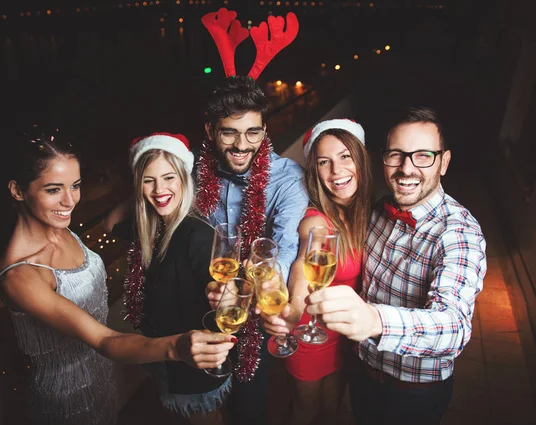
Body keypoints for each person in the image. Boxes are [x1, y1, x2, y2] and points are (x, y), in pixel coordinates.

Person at [0, 127, 235, 425]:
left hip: (105, 373)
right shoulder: (21, 276)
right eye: (53, 189)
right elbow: (105, 340)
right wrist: (177, 347)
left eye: (76, 185)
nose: (70, 201)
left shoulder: (61, 229)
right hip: (67, 397)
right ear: (18, 191)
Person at [305, 107, 488, 425]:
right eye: (397, 155)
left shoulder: (458, 232)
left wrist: (375, 321)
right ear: (383, 158)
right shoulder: (377, 211)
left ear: (443, 162)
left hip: (412, 394)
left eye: (423, 156)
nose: (406, 169)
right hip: (362, 374)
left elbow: (454, 328)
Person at [200, 75, 309, 425]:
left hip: (252, 311)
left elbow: (285, 243)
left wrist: (269, 292)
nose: (242, 145)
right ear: (210, 131)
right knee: (203, 401)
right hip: (201, 307)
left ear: (265, 130)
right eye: (229, 132)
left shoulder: (288, 178)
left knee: (250, 405)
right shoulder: (193, 171)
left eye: (253, 132)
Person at [109, 132, 238, 425]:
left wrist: (226, 297)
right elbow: (110, 223)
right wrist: (140, 190)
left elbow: (220, 290)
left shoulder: (198, 235)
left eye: (169, 178)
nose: (159, 189)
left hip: (194, 364)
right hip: (167, 355)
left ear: (184, 179)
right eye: (149, 180)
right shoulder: (152, 228)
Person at [259, 119, 372, 425]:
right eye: (325, 162)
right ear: (315, 171)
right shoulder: (316, 222)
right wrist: (295, 308)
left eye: (345, 156)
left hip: (344, 333)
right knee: (305, 412)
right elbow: (304, 266)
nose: (337, 171)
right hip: (311, 334)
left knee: (333, 409)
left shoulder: (364, 213)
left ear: (361, 159)